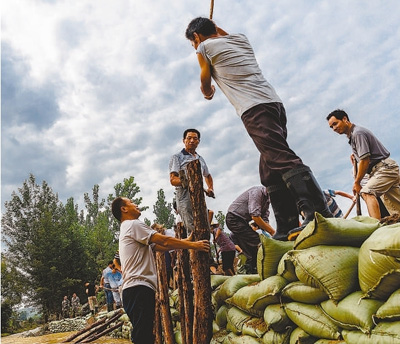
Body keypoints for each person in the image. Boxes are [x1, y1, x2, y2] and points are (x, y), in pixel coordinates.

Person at [185, 17, 332, 240]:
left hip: (253, 109)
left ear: (196, 37)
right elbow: (221, 33)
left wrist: (207, 92)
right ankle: (285, 226)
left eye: (192, 42)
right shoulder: (241, 40)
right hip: (274, 104)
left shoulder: (204, 47)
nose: (194, 47)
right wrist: (211, 28)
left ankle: (318, 212)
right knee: (269, 171)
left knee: (281, 158)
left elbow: (205, 79)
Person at [111, 197, 210, 344]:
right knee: (143, 336)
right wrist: (194, 246)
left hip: (134, 290)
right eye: (131, 202)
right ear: (123, 209)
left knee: (143, 334)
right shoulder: (133, 225)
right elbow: (163, 240)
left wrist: (186, 242)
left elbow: (159, 247)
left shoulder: (128, 229)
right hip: (138, 288)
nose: (136, 204)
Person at [327, 109, 400, 218]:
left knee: (367, 192)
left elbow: (365, 160)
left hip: (385, 169)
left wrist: (357, 182)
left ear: (345, 119)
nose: (334, 128)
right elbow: (364, 157)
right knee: (396, 208)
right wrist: (356, 157)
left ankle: (376, 226)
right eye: (331, 127)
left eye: (335, 124)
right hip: (382, 170)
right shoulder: (353, 136)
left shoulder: (358, 133)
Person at [169, 128, 214, 234]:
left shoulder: (200, 159)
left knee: (204, 224)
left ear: (198, 141)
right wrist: (189, 181)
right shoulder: (177, 157)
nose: (192, 141)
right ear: (183, 140)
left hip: (199, 195)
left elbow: (207, 175)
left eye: (195, 138)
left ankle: (204, 248)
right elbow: (173, 179)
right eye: (189, 138)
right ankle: (194, 249)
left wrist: (210, 188)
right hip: (184, 194)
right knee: (191, 225)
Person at [225, 186, 275, 274]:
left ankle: (252, 271)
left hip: (242, 222)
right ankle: (256, 270)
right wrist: (272, 232)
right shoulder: (257, 192)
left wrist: (271, 233)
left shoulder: (267, 201)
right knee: (258, 241)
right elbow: (255, 216)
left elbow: (264, 220)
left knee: (251, 251)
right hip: (234, 219)